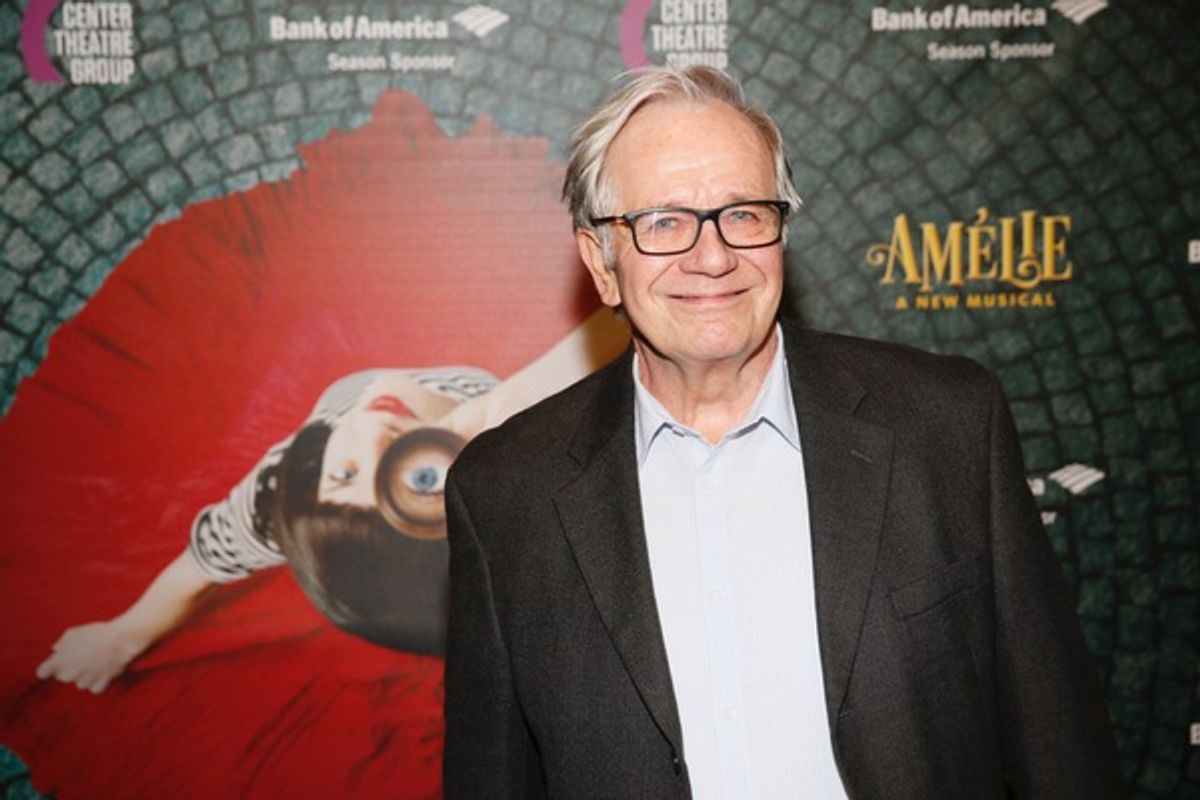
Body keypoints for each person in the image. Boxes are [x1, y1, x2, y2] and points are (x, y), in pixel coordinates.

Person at [442, 66, 1124, 798]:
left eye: (744, 213)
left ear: (782, 233)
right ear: (602, 263)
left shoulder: (946, 425)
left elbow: (1059, 745)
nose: (712, 256)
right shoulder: (506, 494)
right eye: (664, 222)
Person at [36, 309, 626, 693]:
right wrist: (483, 423)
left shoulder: (283, 489)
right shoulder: (511, 465)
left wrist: (124, 631)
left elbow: (198, 564)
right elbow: (627, 325)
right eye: (414, 486)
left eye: (345, 472)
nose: (372, 435)